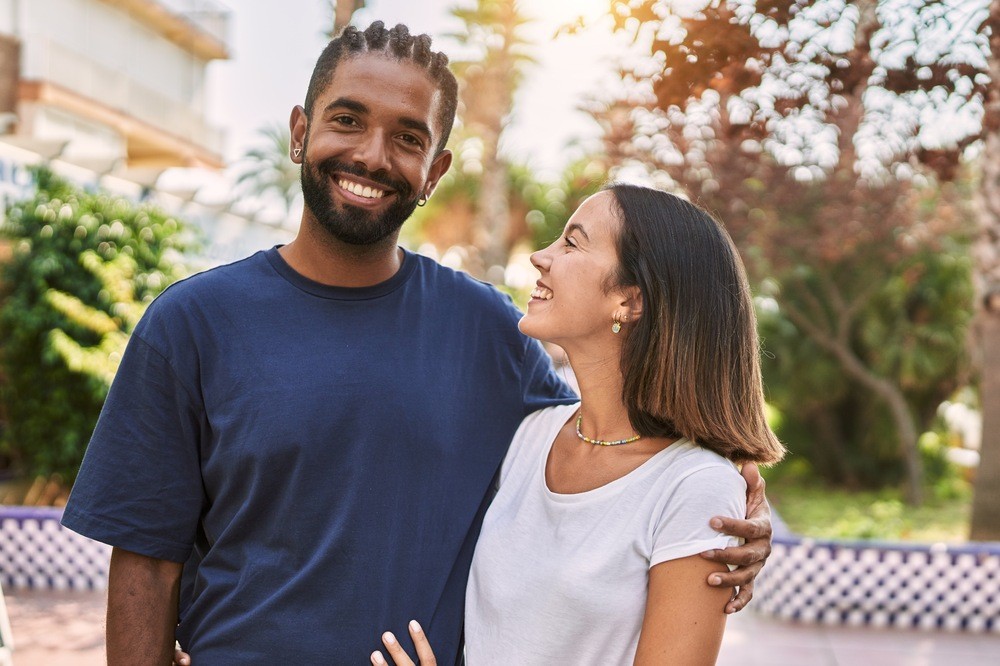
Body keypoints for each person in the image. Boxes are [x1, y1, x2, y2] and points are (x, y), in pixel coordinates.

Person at [62, 22, 773, 664]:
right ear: (300, 132)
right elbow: (145, 565)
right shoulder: (191, 323)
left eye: (408, 137)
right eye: (347, 121)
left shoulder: (490, 331)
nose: (372, 156)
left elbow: (623, 439)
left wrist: (736, 500)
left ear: (434, 172)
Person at [370, 186, 785, 666]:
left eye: (572, 242)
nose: (541, 258)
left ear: (631, 301)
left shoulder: (696, 488)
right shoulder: (531, 434)